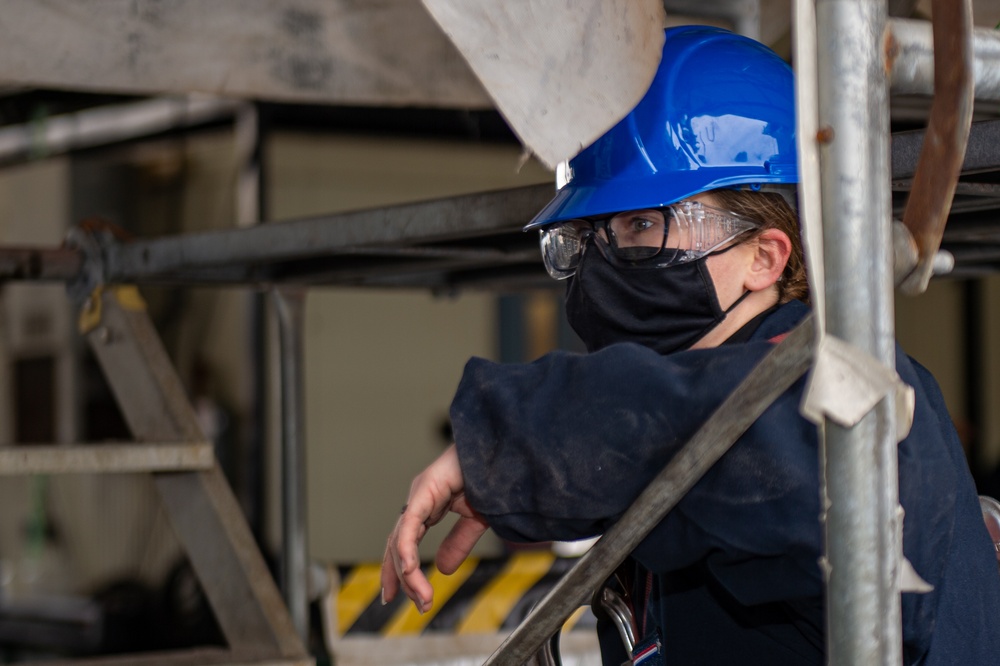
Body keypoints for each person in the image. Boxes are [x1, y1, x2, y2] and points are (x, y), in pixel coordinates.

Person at [381, 25, 1000, 665]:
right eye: (586, 234)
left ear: (765, 255)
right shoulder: (680, 456)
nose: (604, 259)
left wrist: (520, 444)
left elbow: (758, 439)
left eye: (642, 224)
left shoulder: (864, 397)